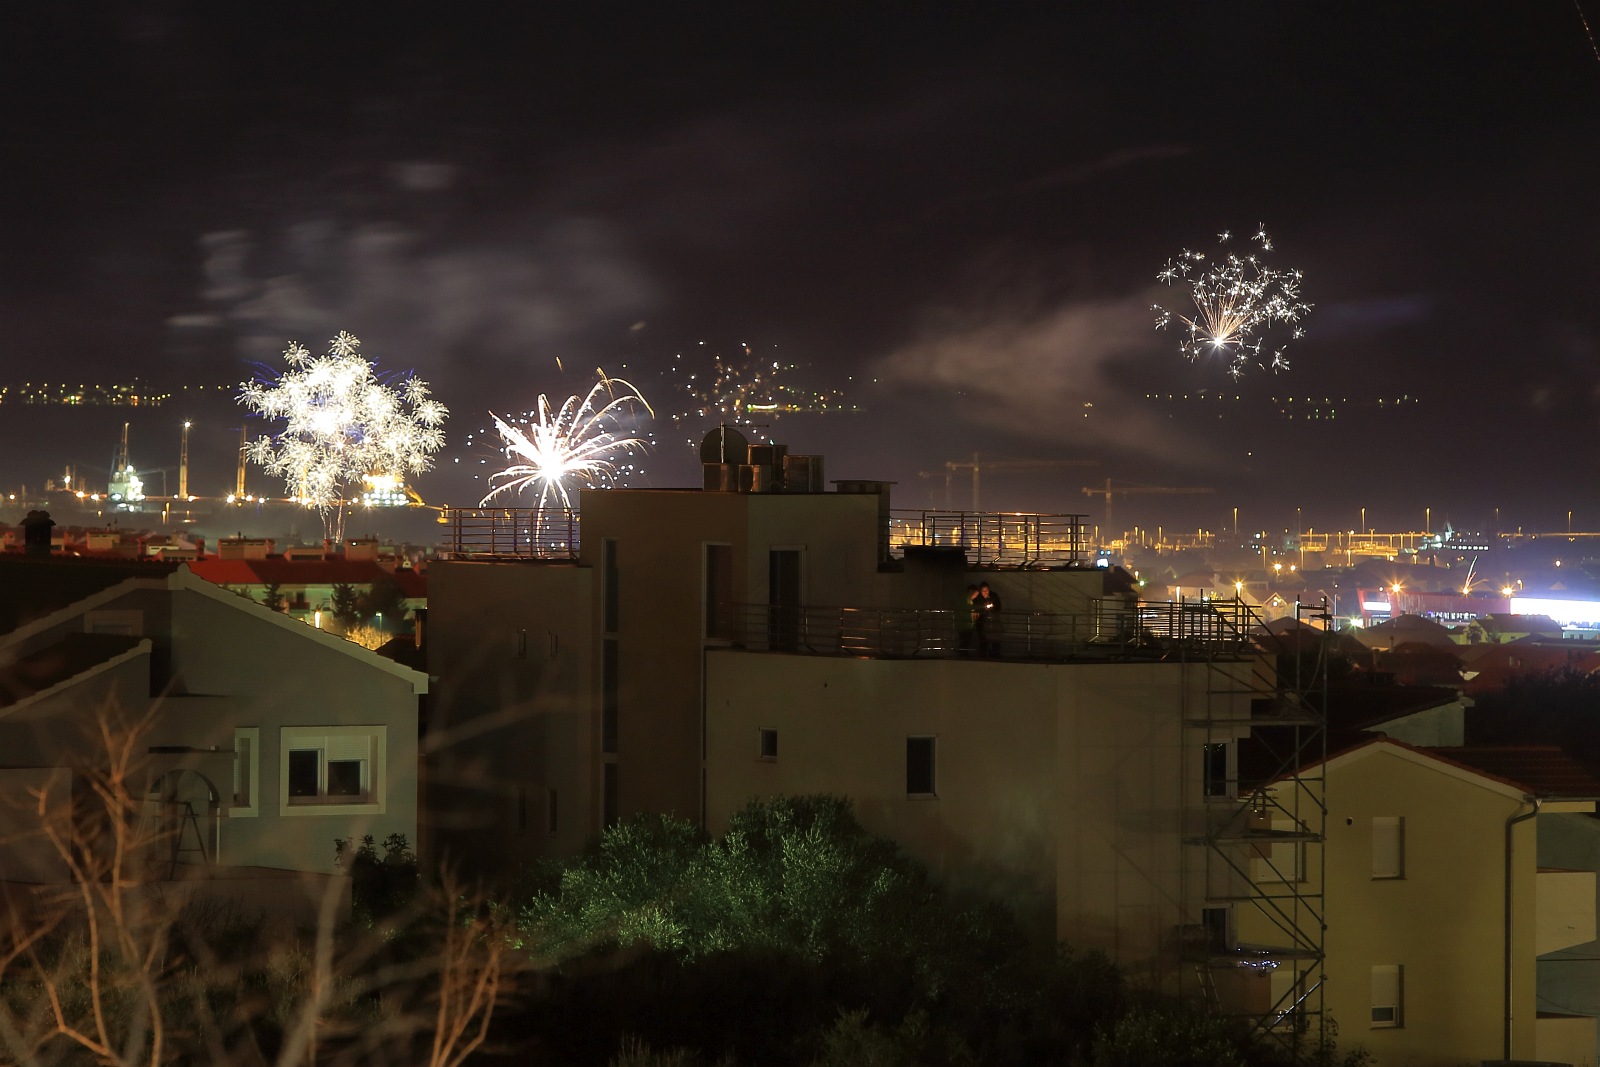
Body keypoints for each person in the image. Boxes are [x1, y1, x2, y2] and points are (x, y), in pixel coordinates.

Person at [974, 581, 1002, 658]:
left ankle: (995, 655)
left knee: (995, 640)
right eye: (983, 591)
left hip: (993, 622)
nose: (985, 592)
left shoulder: (994, 596)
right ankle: (983, 655)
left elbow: (998, 607)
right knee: (983, 640)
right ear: (980, 591)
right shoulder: (977, 598)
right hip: (982, 622)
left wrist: (991, 607)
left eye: (987, 590)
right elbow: (975, 607)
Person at [955, 584, 979, 655]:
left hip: (967, 625)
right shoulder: (963, 598)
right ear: (970, 591)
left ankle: (963, 653)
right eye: (975, 594)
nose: (975, 596)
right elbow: (966, 608)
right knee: (965, 641)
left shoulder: (969, 600)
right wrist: (981, 606)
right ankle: (962, 654)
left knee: (966, 641)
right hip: (963, 624)